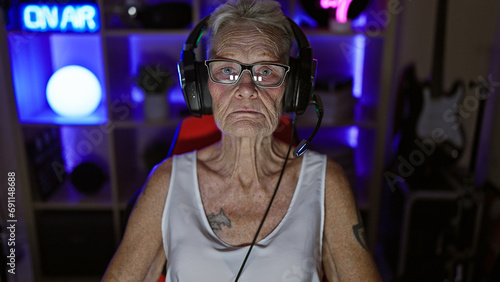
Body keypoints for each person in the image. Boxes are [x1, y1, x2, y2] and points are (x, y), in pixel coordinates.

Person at [103, 0, 382, 281]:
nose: (246, 89)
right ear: (202, 85)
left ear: (293, 87)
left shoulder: (326, 182)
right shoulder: (166, 182)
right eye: (227, 70)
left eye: (266, 70)